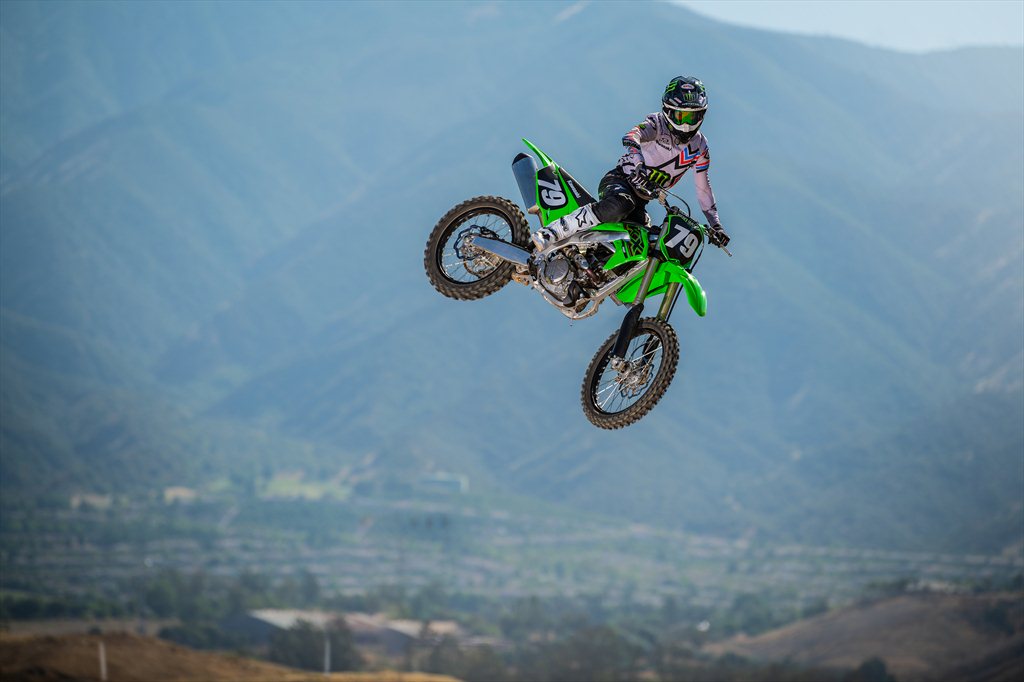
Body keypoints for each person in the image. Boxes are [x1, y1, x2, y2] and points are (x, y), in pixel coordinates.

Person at [531, 76, 730, 251]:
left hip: (642, 200)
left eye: (692, 117)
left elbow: (703, 188)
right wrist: (638, 165)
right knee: (620, 205)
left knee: (646, 244)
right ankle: (551, 232)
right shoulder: (657, 124)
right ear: (668, 111)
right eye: (681, 116)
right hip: (620, 181)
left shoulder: (700, 146)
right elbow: (631, 136)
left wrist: (716, 225)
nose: (686, 124)